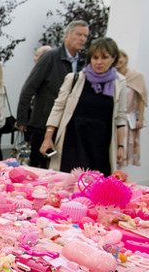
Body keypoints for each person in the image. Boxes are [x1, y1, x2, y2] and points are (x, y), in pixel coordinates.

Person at [40, 37, 126, 176]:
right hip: (74, 140)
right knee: (69, 182)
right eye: (95, 57)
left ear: (113, 58)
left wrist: (121, 146)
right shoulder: (75, 78)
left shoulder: (120, 82)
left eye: (104, 57)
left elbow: (120, 117)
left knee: (98, 186)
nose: (99, 62)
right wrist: (48, 137)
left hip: (101, 144)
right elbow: (58, 107)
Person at [17, 20, 89, 168]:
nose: (82, 39)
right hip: (43, 124)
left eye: (85, 36)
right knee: (39, 167)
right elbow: (29, 88)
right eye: (79, 34)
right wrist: (23, 120)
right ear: (67, 35)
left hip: (68, 126)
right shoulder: (51, 57)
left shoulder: (84, 62)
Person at [116, 49, 147, 167]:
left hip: (128, 119)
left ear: (126, 58)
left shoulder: (136, 76)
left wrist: (140, 118)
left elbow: (141, 99)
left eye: (120, 57)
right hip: (114, 119)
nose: (118, 60)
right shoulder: (113, 77)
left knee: (124, 148)